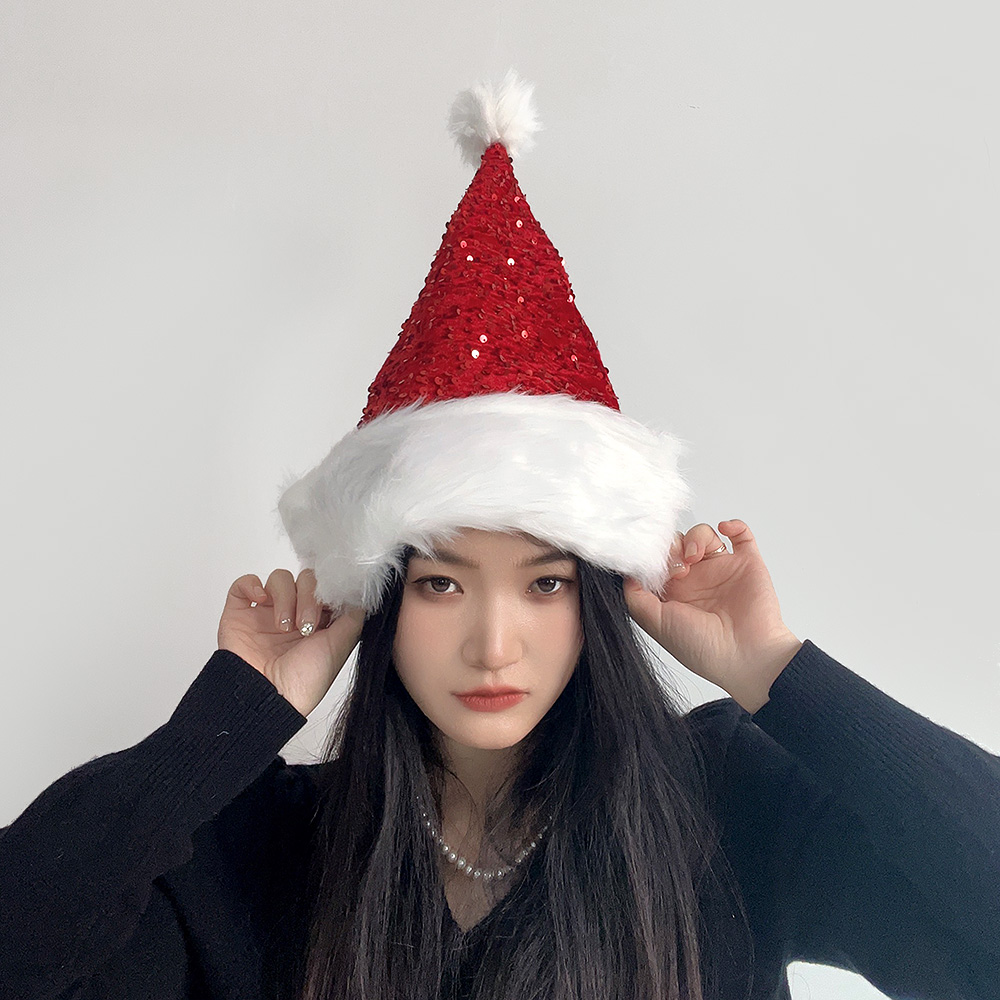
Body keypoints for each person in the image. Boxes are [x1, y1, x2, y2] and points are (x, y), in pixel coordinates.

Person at [2, 71, 998, 1000]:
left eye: (545, 583)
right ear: (378, 601)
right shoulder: (260, 843)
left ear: (599, 598)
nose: (492, 643)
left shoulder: (730, 805)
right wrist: (225, 725)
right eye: (440, 584)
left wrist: (781, 673)